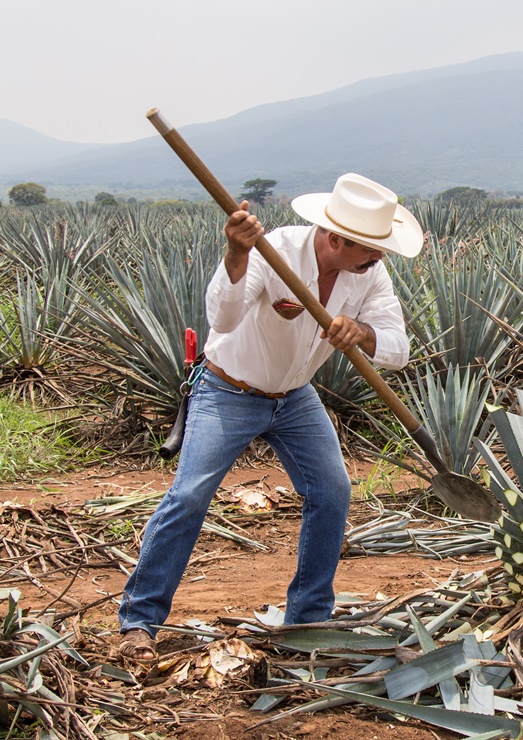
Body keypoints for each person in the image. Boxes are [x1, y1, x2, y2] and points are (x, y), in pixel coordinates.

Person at [117, 173, 424, 662]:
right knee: (191, 494)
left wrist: (361, 332)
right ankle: (140, 619)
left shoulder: (370, 275)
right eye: (370, 247)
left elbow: (397, 348)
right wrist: (237, 255)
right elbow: (223, 317)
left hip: (295, 397)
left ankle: (308, 619)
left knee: (333, 490)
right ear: (335, 238)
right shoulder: (272, 249)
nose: (379, 256)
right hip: (228, 390)